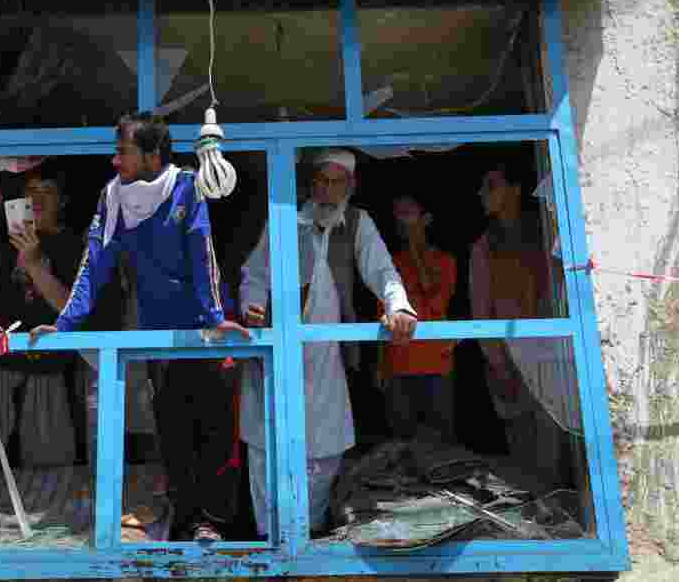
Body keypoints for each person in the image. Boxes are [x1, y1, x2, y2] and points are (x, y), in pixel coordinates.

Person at [30, 112, 249, 542]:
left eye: (122, 152)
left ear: (152, 154)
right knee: (172, 431)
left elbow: (203, 256)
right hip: (157, 335)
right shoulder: (112, 196)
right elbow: (94, 261)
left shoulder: (188, 187)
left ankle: (219, 524)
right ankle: (187, 522)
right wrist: (65, 323)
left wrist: (215, 317)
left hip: (205, 333)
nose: (114, 161)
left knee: (215, 430)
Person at [239, 148, 417, 537]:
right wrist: (252, 307)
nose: (328, 190)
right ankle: (268, 541)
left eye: (337, 183)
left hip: (327, 353)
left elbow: (382, 270)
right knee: (266, 448)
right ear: (311, 183)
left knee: (324, 449)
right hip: (276, 350)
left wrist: (399, 306)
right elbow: (254, 274)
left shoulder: (357, 223)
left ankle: (308, 536)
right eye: (322, 181)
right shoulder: (286, 219)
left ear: (350, 187)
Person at [0, 159, 86, 492]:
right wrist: (8, 161)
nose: (37, 198)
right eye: (31, 190)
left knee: (49, 457)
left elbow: (70, 309)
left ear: (62, 200)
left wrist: (33, 264)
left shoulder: (75, 245)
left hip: (48, 363)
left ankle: (49, 520)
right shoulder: (11, 224)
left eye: (47, 191)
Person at [469, 158, 579, 489]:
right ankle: (535, 520)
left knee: (554, 448)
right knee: (523, 450)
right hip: (509, 362)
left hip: (551, 357)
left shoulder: (548, 235)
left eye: (492, 186)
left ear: (516, 189)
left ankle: (555, 517)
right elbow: (481, 313)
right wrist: (499, 363)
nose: (482, 194)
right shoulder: (484, 246)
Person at [379, 193, 458, 441]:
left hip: (436, 362)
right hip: (398, 363)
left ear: (426, 219)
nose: (402, 222)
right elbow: (382, 315)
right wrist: (381, 365)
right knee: (401, 445)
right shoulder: (388, 264)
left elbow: (435, 299)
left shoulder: (445, 261)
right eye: (398, 216)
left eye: (409, 214)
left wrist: (415, 248)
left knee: (440, 444)